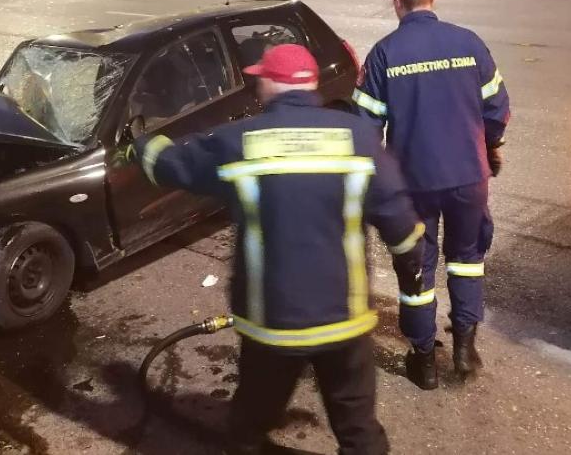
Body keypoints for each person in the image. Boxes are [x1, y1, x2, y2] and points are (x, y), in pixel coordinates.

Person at [135, 44, 427, 455]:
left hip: (272, 325)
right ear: (310, 84)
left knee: (250, 420)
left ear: (272, 83)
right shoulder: (359, 138)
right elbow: (400, 221)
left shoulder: (238, 141)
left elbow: (171, 165)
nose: (257, 86)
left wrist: (140, 145)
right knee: (358, 427)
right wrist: (411, 265)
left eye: (261, 78)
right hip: (344, 320)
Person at [352, 0, 510, 390]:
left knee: (417, 270)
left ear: (397, 1)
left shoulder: (384, 53)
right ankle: (465, 347)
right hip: (468, 177)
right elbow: (497, 109)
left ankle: (423, 361)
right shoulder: (469, 43)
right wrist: (489, 145)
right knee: (467, 259)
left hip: (414, 184)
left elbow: (365, 129)